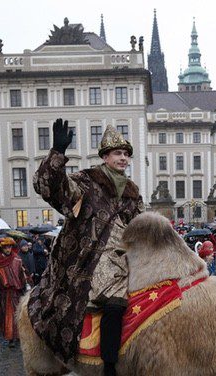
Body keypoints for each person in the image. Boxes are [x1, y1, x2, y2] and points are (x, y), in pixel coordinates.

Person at [28, 119, 144, 375]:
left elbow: (142, 226)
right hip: (90, 257)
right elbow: (52, 188)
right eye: (118, 153)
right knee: (115, 303)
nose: (123, 158)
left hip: (126, 257)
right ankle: (110, 365)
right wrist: (57, 153)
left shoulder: (133, 192)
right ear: (105, 156)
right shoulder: (87, 181)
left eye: (126, 154)